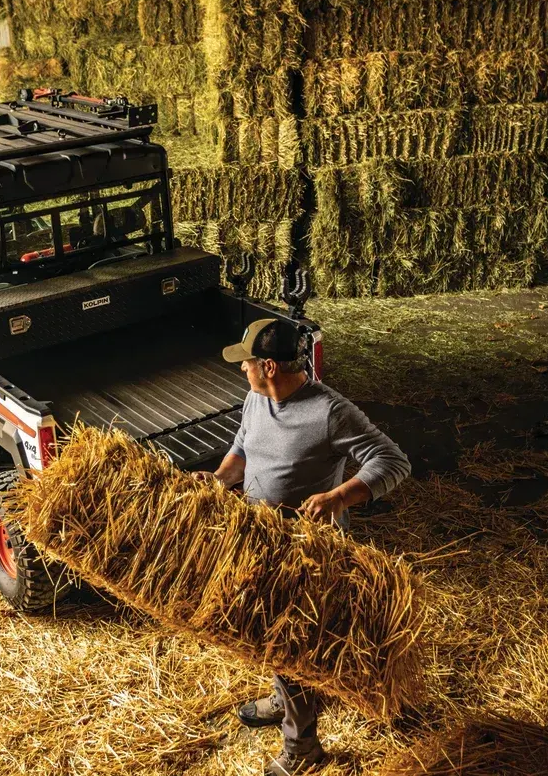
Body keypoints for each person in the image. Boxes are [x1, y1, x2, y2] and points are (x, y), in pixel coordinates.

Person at [193, 317, 412, 776]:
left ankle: (303, 747)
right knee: (266, 636)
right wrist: (216, 482)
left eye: (248, 362)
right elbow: (243, 450)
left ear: (269, 366)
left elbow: (392, 460)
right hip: (261, 540)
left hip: (306, 555)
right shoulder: (257, 398)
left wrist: (338, 497)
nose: (242, 370)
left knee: (291, 644)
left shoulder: (329, 411)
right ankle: (282, 701)